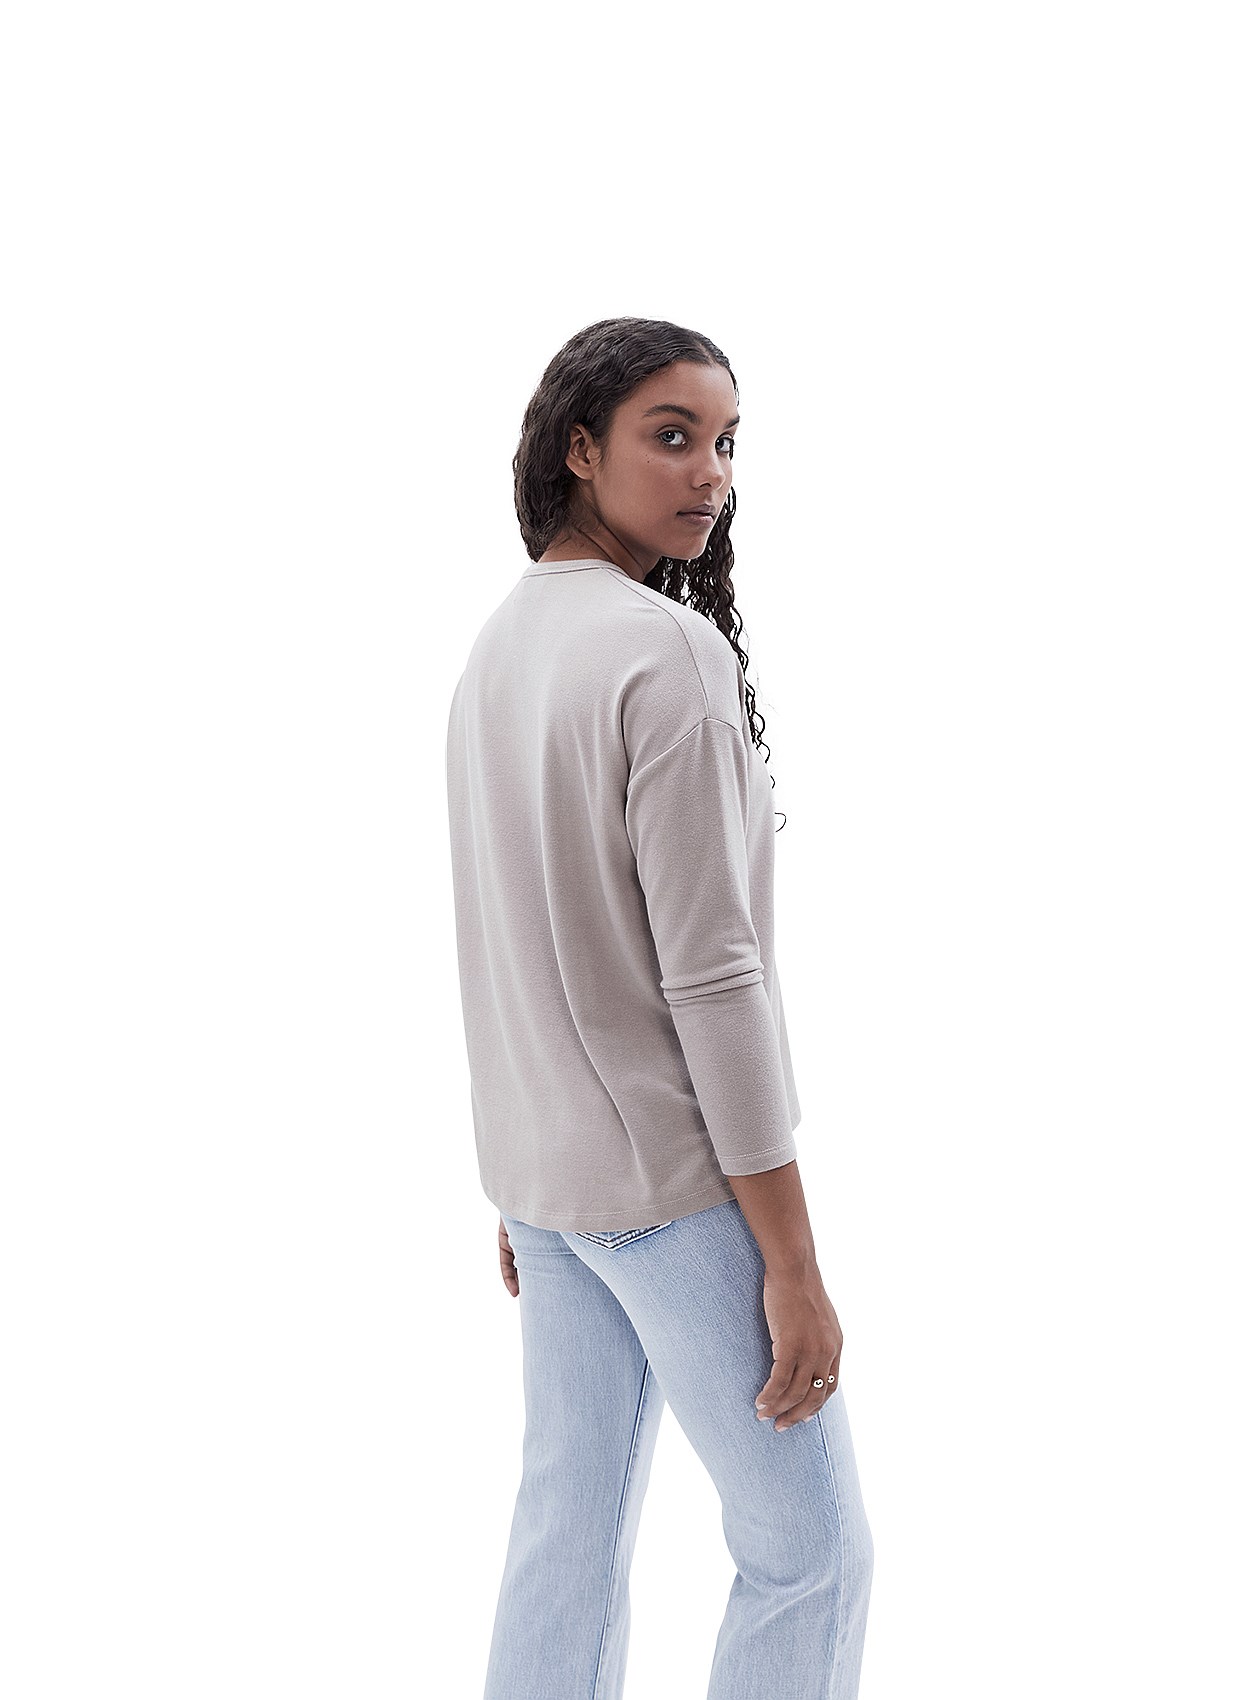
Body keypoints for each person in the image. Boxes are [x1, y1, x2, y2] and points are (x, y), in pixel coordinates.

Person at [445, 316, 874, 1698]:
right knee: (809, 1554)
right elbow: (714, 976)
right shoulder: (666, 655)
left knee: (566, 1530)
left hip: (551, 1193)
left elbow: (509, 933)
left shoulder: (501, 645)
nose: (710, 474)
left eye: (728, 443)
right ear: (580, 449)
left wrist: (529, 1179)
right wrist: (791, 1261)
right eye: (671, 436)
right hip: (672, 1190)